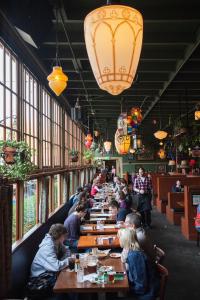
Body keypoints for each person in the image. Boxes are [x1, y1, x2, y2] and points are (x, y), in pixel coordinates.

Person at [27, 224, 70, 298]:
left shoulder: (56, 241)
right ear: (60, 235)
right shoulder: (48, 246)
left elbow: (66, 250)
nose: (65, 238)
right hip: (40, 277)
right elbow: (56, 267)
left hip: (50, 272)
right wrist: (68, 260)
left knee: (68, 277)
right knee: (67, 281)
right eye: (64, 236)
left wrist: (65, 258)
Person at [118, 227, 159, 300]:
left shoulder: (135, 256)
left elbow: (141, 287)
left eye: (120, 237)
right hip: (142, 287)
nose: (119, 239)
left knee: (116, 294)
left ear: (125, 240)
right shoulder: (133, 250)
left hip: (146, 294)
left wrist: (127, 289)